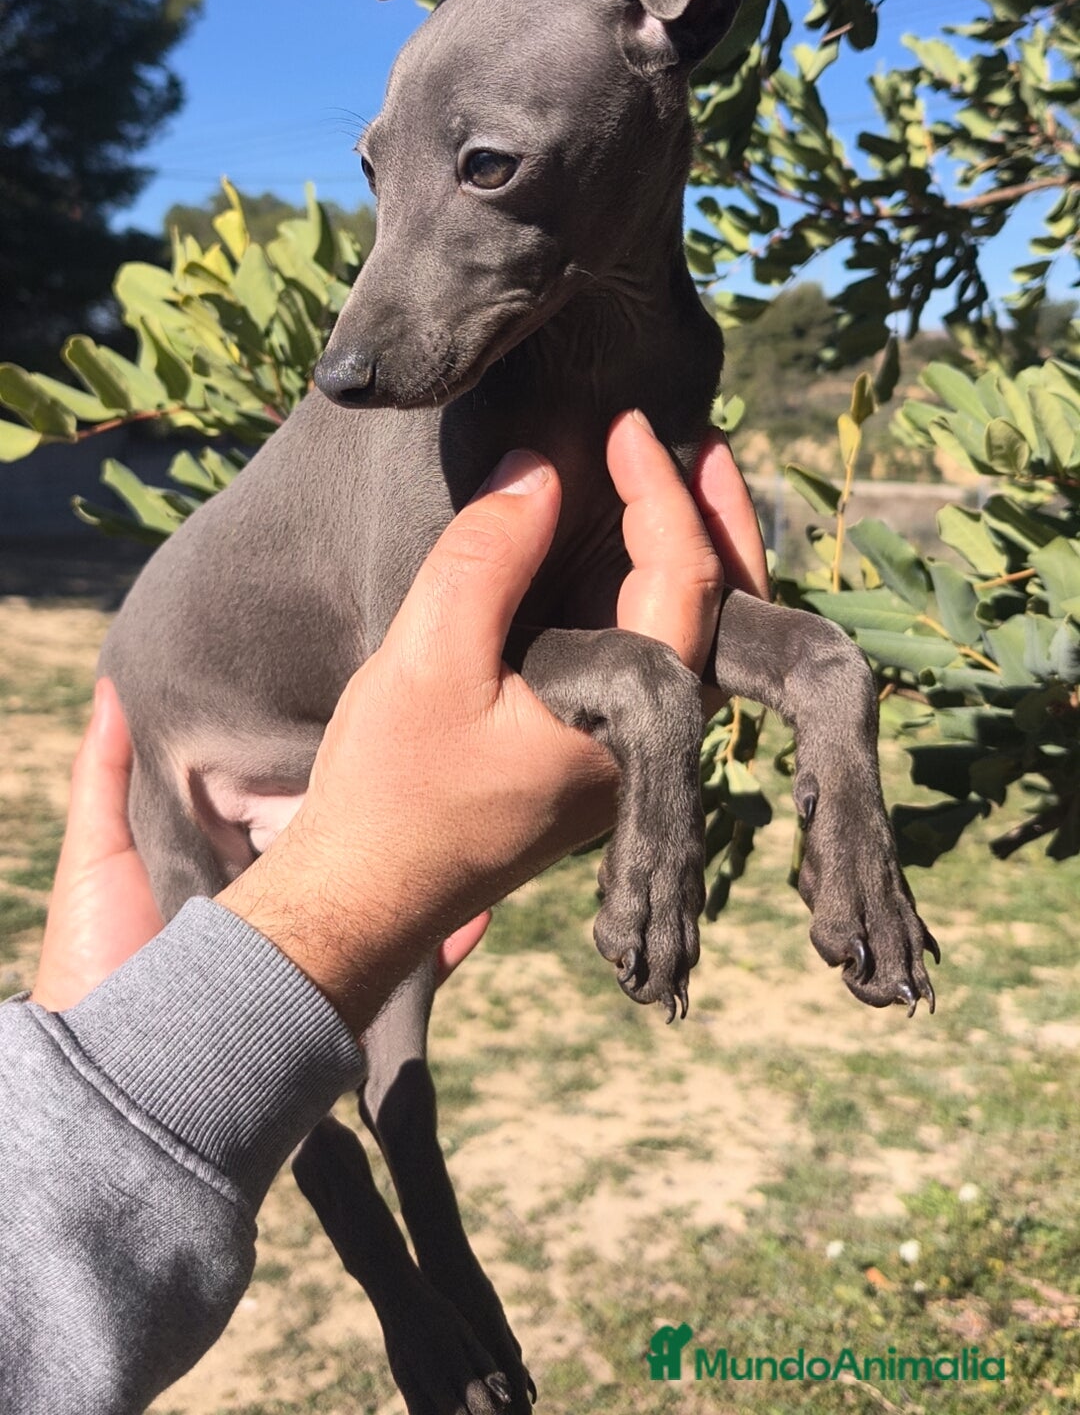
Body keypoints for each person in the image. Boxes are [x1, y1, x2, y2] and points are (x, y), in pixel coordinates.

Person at [0, 414, 768, 1414]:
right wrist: (356, 892)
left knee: (397, 1082)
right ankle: (407, 1288)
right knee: (370, 1062)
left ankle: (441, 1282)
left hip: (315, 754)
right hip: (212, 755)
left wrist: (115, 1017)